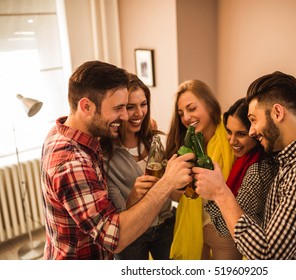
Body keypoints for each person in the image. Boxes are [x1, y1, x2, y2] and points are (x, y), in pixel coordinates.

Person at [40, 60, 194, 259]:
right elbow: (116, 238)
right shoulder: (72, 163)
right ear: (86, 106)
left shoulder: (66, 132)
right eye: (119, 108)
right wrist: (166, 182)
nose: (124, 116)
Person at [193, 71, 296, 259]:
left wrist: (220, 193)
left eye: (253, 120)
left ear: (277, 112)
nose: (251, 131)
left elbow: (267, 255)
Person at [100, 74, 175, 260]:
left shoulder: (155, 139)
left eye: (143, 104)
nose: (139, 113)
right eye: (130, 107)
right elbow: (117, 216)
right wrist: (134, 195)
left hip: (165, 224)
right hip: (132, 236)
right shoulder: (105, 155)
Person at [165, 79, 237, 260]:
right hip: (192, 227)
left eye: (192, 108)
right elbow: (176, 197)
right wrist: (175, 184)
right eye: (181, 113)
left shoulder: (232, 139)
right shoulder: (183, 146)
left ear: (210, 106)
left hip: (224, 230)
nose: (186, 117)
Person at [205, 98, 278, 241]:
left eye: (241, 134)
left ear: (255, 132)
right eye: (229, 132)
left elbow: (225, 227)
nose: (232, 141)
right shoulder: (244, 159)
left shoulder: (258, 170)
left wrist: (214, 193)